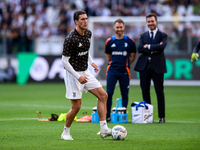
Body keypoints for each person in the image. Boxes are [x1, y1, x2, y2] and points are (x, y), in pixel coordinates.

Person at [61, 10, 111, 140]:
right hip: (73, 75)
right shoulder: (70, 39)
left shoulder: (88, 33)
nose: (85, 21)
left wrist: (92, 62)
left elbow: (85, 50)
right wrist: (78, 77)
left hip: (85, 72)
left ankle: (104, 129)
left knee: (103, 96)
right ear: (76, 21)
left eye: (86, 19)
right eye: (82, 19)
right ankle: (65, 132)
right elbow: (64, 62)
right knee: (76, 107)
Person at [134, 13, 167, 123]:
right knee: (145, 91)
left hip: (157, 66)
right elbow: (139, 49)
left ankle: (161, 116)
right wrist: (154, 48)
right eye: (148, 21)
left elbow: (162, 47)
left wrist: (147, 46)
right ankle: (148, 116)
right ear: (146, 23)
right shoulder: (143, 35)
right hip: (145, 66)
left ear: (156, 22)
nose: (150, 23)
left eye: (152, 21)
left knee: (159, 91)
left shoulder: (163, 35)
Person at [105, 18, 136, 122]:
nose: (119, 29)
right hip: (112, 71)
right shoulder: (109, 41)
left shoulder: (130, 41)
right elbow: (108, 56)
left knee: (124, 94)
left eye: (121, 27)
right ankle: (107, 115)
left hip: (124, 71)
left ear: (124, 27)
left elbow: (132, 57)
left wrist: (125, 65)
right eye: (117, 27)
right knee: (108, 93)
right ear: (114, 27)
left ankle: (123, 115)